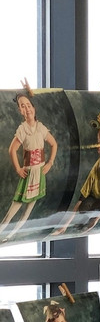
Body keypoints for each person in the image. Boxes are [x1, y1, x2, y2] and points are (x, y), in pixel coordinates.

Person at [0, 93, 58, 241]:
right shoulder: (22, 129)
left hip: (39, 172)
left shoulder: (41, 127)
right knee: (15, 207)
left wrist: (50, 162)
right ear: (20, 111)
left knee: (28, 211)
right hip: (28, 172)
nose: (27, 109)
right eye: (22, 106)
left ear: (34, 108)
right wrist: (18, 169)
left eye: (28, 105)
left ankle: (10, 236)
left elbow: (54, 144)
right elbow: (12, 149)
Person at [55, 114, 100, 234]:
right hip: (94, 199)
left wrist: (97, 219)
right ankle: (82, 225)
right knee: (84, 207)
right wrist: (65, 225)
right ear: (98, 149)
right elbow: (80, 200)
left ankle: (91, 220)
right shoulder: (95, 170)